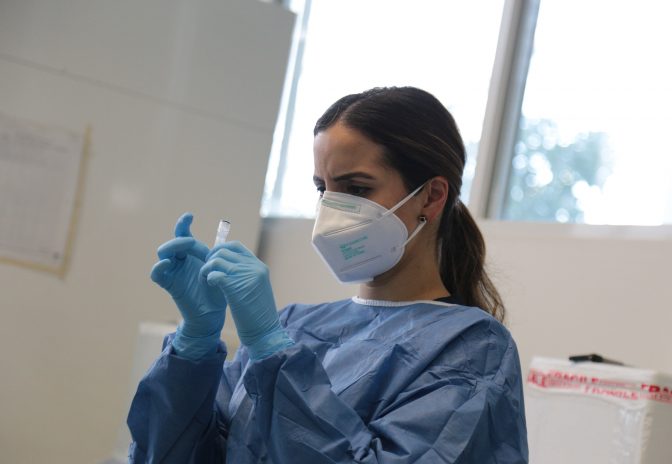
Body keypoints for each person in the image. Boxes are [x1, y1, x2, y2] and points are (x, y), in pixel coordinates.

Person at [127, 86, 528, 463]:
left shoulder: (472, 349)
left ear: (431, 196)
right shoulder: (293, 325)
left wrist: (273, 354)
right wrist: (194, 346)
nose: (331, 211)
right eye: (323, 189)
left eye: (356, 189)